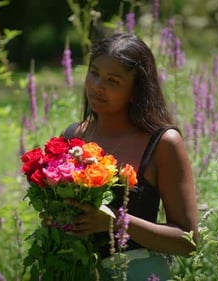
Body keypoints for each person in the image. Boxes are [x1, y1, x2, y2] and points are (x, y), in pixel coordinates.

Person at [58, 32, 198, 280]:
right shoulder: (71, 137)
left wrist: (117, 222)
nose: (97, 86)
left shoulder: (163, 143)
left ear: (136, 91)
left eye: (113, 81)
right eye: (94, 73)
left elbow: (188, 241)